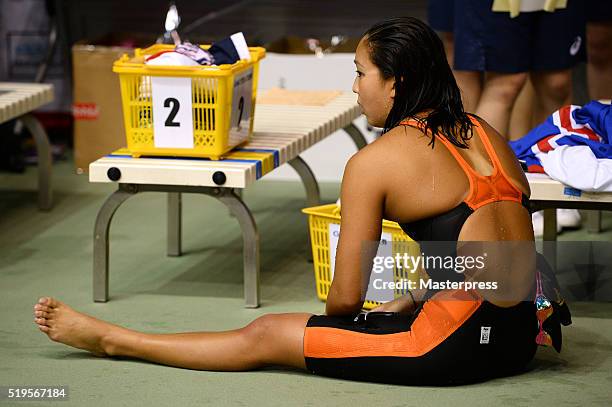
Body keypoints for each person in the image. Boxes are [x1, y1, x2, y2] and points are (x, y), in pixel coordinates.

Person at [34, 17, 541, 386]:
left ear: (396, 83)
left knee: (266, 333)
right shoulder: (487, 134)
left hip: (456, 349)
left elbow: (342, 302)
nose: (355, 87)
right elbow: (487, 247)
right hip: (521, 333)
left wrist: (384, 313)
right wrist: (411, 298)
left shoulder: (377, 161)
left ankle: (111, 338)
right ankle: (415, 313)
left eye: (361, 73)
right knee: (399, 306)